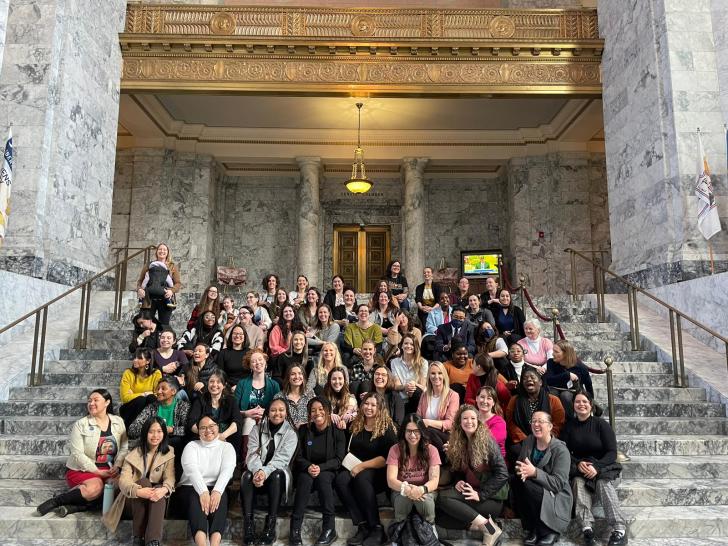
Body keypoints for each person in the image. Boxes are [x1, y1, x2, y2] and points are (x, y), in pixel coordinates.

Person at [36, 389, 128, 517]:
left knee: (121, 486)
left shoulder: (118, 422)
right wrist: (97, 471)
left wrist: (117, 466)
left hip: (109, 469)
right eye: (89, 401)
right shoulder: (81, 424)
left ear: (107, 402)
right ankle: (57, 501)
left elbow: (124, 447)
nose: (91, 403)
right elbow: (77, 454)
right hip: (82, 469)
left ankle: (78, 507)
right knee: (96, 487)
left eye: (96, 400)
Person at [561, 392, 627, 546]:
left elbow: (612, 452)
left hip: (604, 468)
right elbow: (563, 451)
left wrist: (596, 467)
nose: (581, 404)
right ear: (573, 405)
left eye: (584, 401)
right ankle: (587, 529)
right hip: (581, 470)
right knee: (577, 482)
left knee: (602, 484)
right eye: (577, 402)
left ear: (591, 405)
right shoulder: (569, 426)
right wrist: (577, 463)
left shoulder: (601, 424)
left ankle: (619, 529)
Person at [437, 405, 508, 546]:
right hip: (472, 493)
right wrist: (458, 481)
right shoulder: (460, 442)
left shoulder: (487, 442)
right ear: (459, 422)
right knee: (440, 516)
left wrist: (480, 494)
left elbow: (503, 473)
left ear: (478, 421)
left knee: (443, 498)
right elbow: (458, 471)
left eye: (473, 418)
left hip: (489, 499)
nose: (469, 421)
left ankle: (490, 530)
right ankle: (483, 526)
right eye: (465, 418)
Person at [334, 392, 398, 546]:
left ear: (380, 407)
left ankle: (376, 528)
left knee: (362, 478)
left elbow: (386, 458)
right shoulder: (356, 423)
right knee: (341, 480)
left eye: (373, 405)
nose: (369, 407)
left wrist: (361, 466)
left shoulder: (387, 428)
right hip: (355, 467)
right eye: (366, 404)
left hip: (378, 471)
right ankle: (362, 524)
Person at [102, 416, 175, 546]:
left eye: (159, 431)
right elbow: (124, 481)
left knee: (159, 488)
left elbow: (170, 477)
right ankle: (138, 537)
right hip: (132, 501)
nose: (155, 435)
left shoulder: (169, 452)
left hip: (156, 504)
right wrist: (139, 491)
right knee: (144, 482)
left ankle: (153, 541)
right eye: (151, 431)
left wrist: (164, 489)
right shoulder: (133, 454)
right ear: (145, 433)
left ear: (164, 433)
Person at [242, 398, 299, 546]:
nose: (277, 413)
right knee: (246, 475)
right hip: (257, 475)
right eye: (273, 410)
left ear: (286, 413)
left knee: (277, 474)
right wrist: (257, 471)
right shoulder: (257, 429)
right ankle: (248, 526)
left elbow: (282, 460)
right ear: (268, 412)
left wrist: (264, 472)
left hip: (276, 478)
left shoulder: (291, 434)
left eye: (281, 410)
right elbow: (252, 455)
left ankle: (270, 527)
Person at [290, 397, 346, 546]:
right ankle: (295, 529)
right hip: (307, 468)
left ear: (328, 411)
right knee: (304, 479)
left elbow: (339, 459)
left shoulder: (337, 431)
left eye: (321, 409)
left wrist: (321, 468)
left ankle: (329, 528)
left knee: (323, 478)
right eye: (313, 410)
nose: (317, 413)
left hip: (328, 470)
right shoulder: (304, 430)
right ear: (309, 414)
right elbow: (298, 457)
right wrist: (309, 466)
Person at [513, 411, 573, 546]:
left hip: (555, 493)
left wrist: (534, 472)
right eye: (533, 421)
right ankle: (534, 527)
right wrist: (521, 470)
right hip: (534, 488)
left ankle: (550, 530)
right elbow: (520, 463)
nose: (536, 424)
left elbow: (558, 484)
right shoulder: (529, 441)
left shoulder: (561, 450)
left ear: (550, 426)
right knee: (517, 481)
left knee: (527, 484)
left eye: (540, 421)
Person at [177, 414, 236, 546]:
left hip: (215, 487)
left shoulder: (227, 447)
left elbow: (228, 470)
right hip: (190, 487)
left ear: (218, 427)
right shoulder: (191, 446)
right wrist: (203, 492)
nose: (207, 430)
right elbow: (191, 470)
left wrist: (216, 491)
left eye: (211, 426)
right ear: (198, 431)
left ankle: (215, 544)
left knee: (221, 497)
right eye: (203, 428)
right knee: (195, 497)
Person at [386, 414, 440, 528]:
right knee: (402, 499)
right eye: (409, 431)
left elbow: (434, 480)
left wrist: (421, 489)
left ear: (422, 432)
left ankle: (430, 529)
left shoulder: (431, 450)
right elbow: (391, 480)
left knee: (425, 501)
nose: (412, 435)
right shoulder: (395, 449)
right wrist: (407, 489)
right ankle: (399, 531)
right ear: (403, 432)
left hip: (425, 489)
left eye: (416, 431)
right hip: (401, 488)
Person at [128, 376, 189, 476]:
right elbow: (132, 429)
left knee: (176, 442)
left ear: (173, 391)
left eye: (163, 388)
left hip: (172, 444)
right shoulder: (151, 407)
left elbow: (187, 429)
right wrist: (151, 430)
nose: (159, 391)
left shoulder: (183, 406)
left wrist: (171, 430)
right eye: (158, 388)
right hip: (152, 442)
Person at [505, 368, 566, 463]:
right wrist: (526, 440)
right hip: (522, 442)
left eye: (532, 377)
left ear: (541, 382)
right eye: (525, 378)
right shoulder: (515, 400)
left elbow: (558, 424)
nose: (529, 380)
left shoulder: (553, 400)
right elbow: (510, 422)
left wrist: (543, 438)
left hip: (547, 440)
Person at [188, 370, 242, 459]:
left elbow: (237, 421)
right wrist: (206, 435)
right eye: (211, 381)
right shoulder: (200, 400)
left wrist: (222, 435)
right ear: (208, 383)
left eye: (218, 382)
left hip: (225, 437)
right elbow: (191, 422)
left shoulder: (231, 400)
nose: (214, 385)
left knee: (236, 434)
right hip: (204, 437)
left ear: (224, 385)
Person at [235, 349, 281, 453]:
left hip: (268, 419)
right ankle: (247, 461)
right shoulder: (242, 384)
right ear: (250, 366)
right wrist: (246, 413)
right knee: (249, 423)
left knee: (264, 423)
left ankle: (265, 460)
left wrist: (265, 413)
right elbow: (234, 409)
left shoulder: (274, 385)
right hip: (246, 419)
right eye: (254, 361)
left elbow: (279, 407)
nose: (258, 363)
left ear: (265, 362)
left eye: (260, 359)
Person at [416, 361, 459, 457]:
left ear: (444, 375)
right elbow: (418, 417)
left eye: (439, 373)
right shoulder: (424, 395)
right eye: (433, 373)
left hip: (444, 435)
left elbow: (450, 423)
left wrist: (428, 422)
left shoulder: (453, 395)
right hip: (425, 434)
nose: (436, 376)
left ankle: (443, 458)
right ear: (429, 376)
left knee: (430, 431)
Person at [544, 339, 594, 419]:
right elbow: (549, 380)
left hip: (573, 391)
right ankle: (553, 420)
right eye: (553, 351)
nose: (553, 354)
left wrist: (591, 403)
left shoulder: (580, 367)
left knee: (565, 395)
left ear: (565, 354)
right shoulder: (551, 362)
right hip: (554, 389)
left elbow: (588, 386)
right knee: (552, 395)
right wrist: (567, 375)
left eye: (556, 352)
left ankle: (571, 420)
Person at [136, 243, 181, 326]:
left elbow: (178, 284)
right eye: (160, 249)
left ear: (168, 252)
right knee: (146, 325)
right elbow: (140, 281)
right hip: (148, 300)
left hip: (165, 300)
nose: (162, 251)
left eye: (164, 250)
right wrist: (139, 289)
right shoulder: (148, 265)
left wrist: (171, 291)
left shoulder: (172, 266)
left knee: (164, 326)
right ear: (156, 251)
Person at [119, 348, 162, 428]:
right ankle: (128, 428)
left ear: (148, 361)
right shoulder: (128, 373)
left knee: (151, 398)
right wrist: (144, 393)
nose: (135, 360)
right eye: (135, 357)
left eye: (139, 358)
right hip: (129, 409)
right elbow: (125, 398)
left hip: (147, 410)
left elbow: (157, 395)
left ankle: (151, 427)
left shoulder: (156, 373)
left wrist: (133, 394)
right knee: (141, 400)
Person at [389, 333, 428, 414]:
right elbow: (396, 385)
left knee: (417, 391)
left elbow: (423, 386)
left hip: (417, 397)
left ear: (415, 347)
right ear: (402, 345)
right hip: (401, 398)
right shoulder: (394, 362)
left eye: (412, 344)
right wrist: (405, 387)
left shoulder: (423, 362)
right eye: (406, 343)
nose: (408, 346)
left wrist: (414, 385)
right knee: (393, 394)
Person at [274, 363, 317, 428]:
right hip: (286, 434)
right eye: (293, 374)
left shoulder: (310, 394)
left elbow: (316, 415)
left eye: (300, 373)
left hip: (308, 433)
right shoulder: (279, 397)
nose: (297, 377)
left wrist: (304, 426)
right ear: (288, 377)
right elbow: (276, 420)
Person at [475, 385, 507, 457]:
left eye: (489, 398)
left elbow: (487, 443)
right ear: (476, 398)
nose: (485, 401)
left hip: (494, 462)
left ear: (493, 403)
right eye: (482, 397)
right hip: (473, 458)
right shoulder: (471, 418)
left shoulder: (499, 422)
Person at [216, 324, 250, 390]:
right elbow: (220, 374)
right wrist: (228, 387)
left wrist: (240, 386)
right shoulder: (223, 353)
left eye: (240, 334)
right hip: (227, 387)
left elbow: (253, 374)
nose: (237, 336)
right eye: (235, 333)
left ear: (244, 336)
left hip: (246, 386)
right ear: (231, 336)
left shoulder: (250, 353)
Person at [422, 291, 452, 360]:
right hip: (436, 335)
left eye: (446, 297)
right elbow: (429, 326)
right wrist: (440, 333)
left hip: (450, 335)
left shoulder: (454, 311)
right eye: (442, 298)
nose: (445, 300)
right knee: (429, 340)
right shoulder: (432, 312)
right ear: (439, 301)